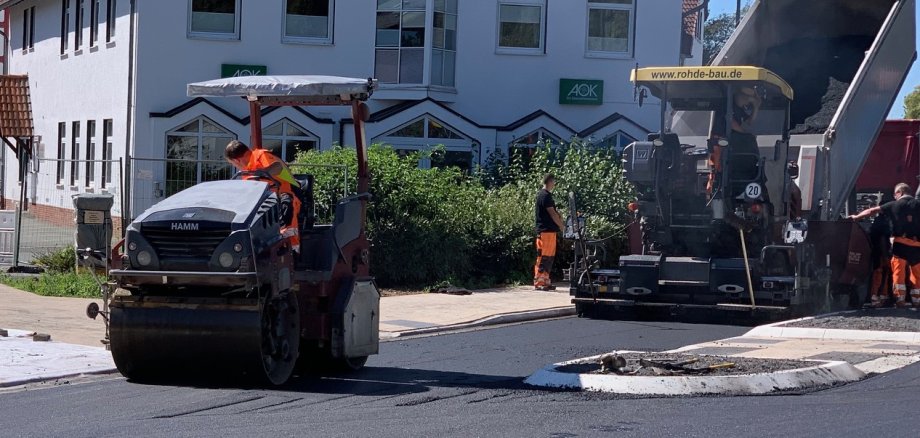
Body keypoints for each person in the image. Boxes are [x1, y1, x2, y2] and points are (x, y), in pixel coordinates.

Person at [849, 183, 920, 308]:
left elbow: (872, 210)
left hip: (900, 243)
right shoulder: (918, 204)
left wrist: (856, 217)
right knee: (917, 273)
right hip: (917, 245)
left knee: (898, 273)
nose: (894, 196)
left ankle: (900, 299)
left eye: (895, 194)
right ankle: (917, 300)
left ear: (900, 193)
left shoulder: (894, 204)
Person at [225, 140, 302, 247]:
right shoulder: (247, 172)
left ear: (237, 160)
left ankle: (291, 248)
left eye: (233, 164)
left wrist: (260, 174)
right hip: (263, 204)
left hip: (283, 199)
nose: (237, 167)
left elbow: (278, 167)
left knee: (286, 208)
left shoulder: (261, 156)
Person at [533, 174, 565, 291]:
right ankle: (540, 281)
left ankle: (545, 281)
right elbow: (552, 213)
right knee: (544, 257)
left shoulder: (543, 195)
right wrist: (562, 226)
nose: (554, 184)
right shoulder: (545, 196)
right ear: (550, 182)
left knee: (549, 257)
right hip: (546, 231)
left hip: (548, 231)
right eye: (554, 182)